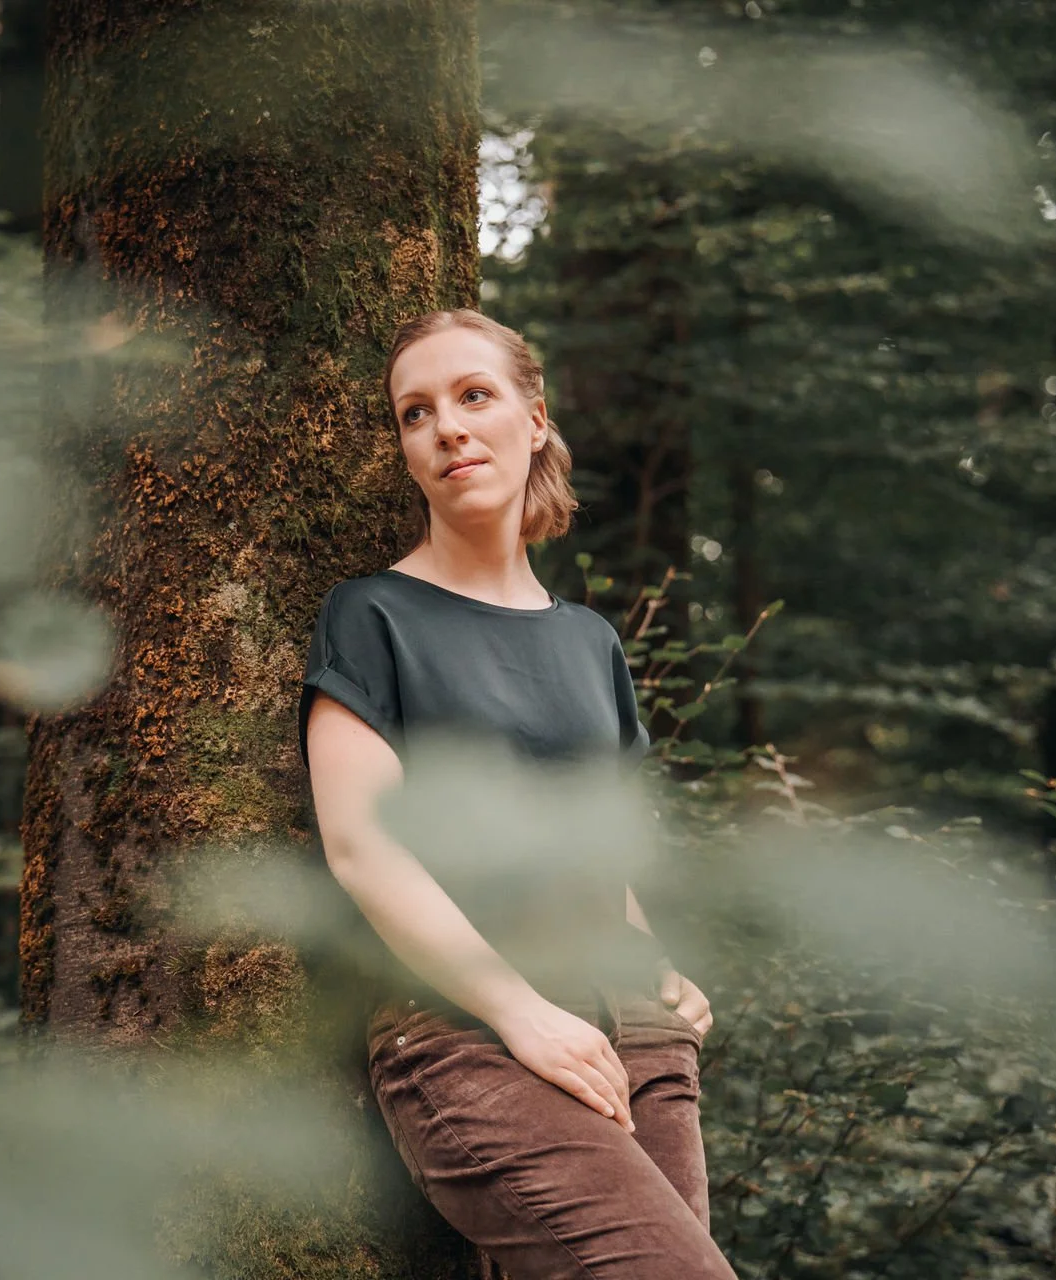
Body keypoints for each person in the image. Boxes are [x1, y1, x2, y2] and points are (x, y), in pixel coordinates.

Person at [298, 309, 738, 1278]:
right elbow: (363, 847)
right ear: (407, 452)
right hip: (468, 1033)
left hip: (637, 1031)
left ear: (534, 419)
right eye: (416, 412)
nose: (446, 427)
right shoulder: (371, 614)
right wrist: (518, 1010)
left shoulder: (591, 642)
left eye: (473, 395)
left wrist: (659, 965)